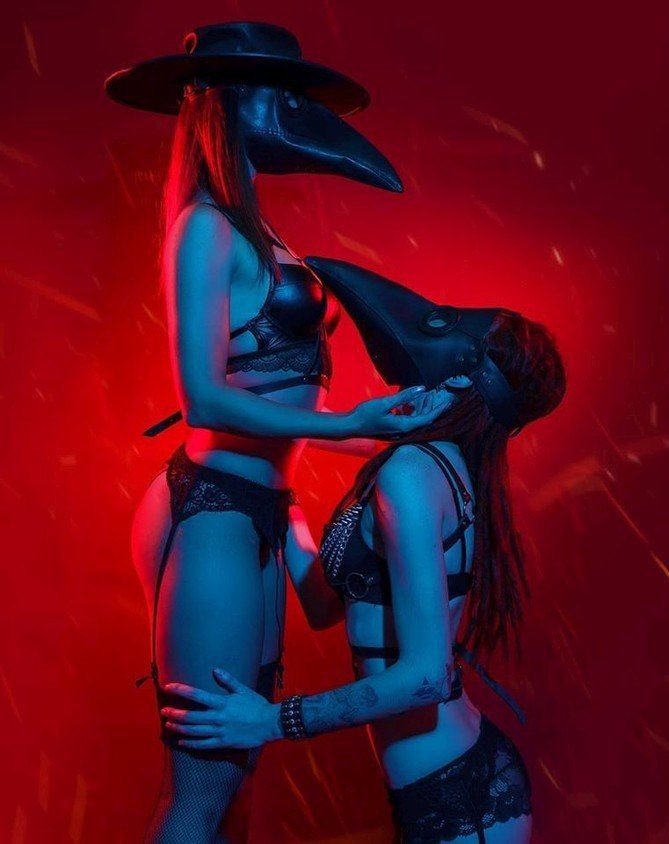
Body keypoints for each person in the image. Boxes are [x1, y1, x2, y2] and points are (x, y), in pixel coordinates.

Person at [105, 23, 451, 843]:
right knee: (202, 785)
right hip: (214, 509)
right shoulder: (205, 228)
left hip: (257, 509)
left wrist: (387, 434)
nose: (296, 110)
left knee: (237, 777)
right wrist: (352, 421)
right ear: (232, 104)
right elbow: (205, 401)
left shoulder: (255, 230)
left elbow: (275, 408)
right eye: (282, 94)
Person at [160, 260, 566, 843]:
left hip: (465, 803)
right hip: (441, 788)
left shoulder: (413, 474)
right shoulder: (430, 465)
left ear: (459, 381)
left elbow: (426, 677)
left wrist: (272, 721)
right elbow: (324, 606)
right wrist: (274, 487)